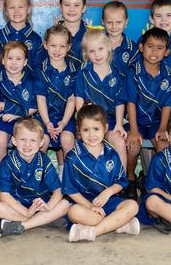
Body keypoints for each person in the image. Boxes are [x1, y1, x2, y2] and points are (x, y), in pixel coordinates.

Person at [63, 103, 139, 242]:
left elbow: (121, 181)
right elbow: (70, 190)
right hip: (85, 204)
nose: (92, 135)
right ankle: (118, 224)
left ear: (105, 128)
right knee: (73, 212)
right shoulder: (73, 157)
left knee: (133, 206)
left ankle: (93, 231)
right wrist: (90, 206)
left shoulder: (112, 153)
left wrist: (107, 192)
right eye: (86, 130)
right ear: (79, 131)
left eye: (96, 129)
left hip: (108, 201)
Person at [0, 117, 70, 237]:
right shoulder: (7, 162)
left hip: (40, 205)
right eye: (22, 139)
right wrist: (27, 212)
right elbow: (5, 195)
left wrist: (48, 206)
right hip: (17, 206)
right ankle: (42, 221)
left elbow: (58, 191)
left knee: (65, 205)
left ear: (41, 143)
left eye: (33, 140)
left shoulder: (44, 160)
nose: (27, 145)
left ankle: (22, 225)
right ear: (14, 140)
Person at [124, 27, 171, 197]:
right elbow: (130, 103)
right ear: (141, 47)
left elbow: (168, 105)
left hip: (156, 121)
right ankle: (130, 179)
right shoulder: (133, 72)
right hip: (136, 121)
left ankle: (154, 185)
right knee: (133, 146)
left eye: (159, 48)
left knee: (164, 147)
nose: (154, 51)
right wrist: (133, 130)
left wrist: (163, 128)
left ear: (167, 52)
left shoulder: (168, 75)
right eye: (150, 46)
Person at [75, 29, 128, 171]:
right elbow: (79, 98)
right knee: (84, 145)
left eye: (100, 49)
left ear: (109, 47)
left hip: (110, 121)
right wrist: (81, 123)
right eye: (92, 51)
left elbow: (120, 101)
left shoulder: (117, 74)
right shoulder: (83, 73)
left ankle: (120, 181)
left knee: (120, 143)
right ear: (86, 54)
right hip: (89, 120)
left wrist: (118, 124)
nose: (97, 54)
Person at [35, 25, 78, 171]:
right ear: (45, 45)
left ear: (69, 47)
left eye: (62, 46)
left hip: (65, 117)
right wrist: (47, 122)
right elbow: (40, 98)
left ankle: (68, 179)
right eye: (53, 45)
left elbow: (72, 99)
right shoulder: (41, 69)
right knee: (42, 140)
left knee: (67, 139)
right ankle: (39, 178)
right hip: (43, 118)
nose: (57, 50)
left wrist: (64, 122)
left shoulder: (73, 70)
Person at [0, 41, 40, 171]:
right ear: (3, 60)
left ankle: (30, 174)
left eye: (18, 59)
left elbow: (35, 106)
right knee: (1, 138)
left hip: (27, 119)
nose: (14, 63)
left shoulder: (32, 80)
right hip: (4, 119)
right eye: (10, 58)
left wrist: (17, 114)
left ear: (25, 62)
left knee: (33, 139)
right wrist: (14, 110)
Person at [0, 0, 42, 73]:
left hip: (28, 85)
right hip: (3, 85)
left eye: (20, 7)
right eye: (12, 7)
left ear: (28, 9)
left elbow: (38, 68)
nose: (16, 11)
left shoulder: (36, 38)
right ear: (6, 11)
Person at [50, 0, 96, 67]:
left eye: (77, 5)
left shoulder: (91, 34)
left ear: (84, 8)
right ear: (60, 7)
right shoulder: (52, 34)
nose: (72, 9)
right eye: (67, 5)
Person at [101, 1, 139, 75]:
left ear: (126, 22)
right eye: (109, 22)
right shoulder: (97, 45)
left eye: (118, 22)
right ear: (103, 22)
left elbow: (135, 75)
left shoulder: (133, 49)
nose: (114, 26)